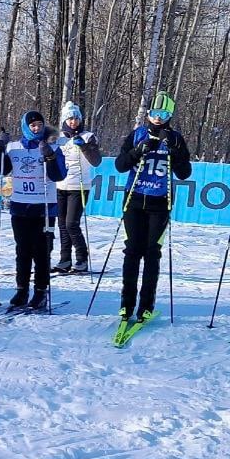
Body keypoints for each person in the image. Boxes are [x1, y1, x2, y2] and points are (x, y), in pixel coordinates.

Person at [112, 92, 192, 324]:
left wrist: (175, 152)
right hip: (134, 199)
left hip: (160, 202)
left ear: (170, 116)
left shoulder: (175, 138)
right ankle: (126, 304)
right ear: (148, 114)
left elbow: (185, 173)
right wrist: (138, 151)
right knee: (132, 251)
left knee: (152, 253)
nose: (158, 118)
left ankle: (146, 305)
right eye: (155, 114)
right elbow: (119, 165)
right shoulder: (137, 134)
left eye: (163, 114)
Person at [0, 111, 66, 308]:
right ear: (25, 126)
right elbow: (0, 169)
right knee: (22, 251)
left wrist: (49, 156)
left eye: (39, 125)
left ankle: (41, 291)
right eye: (32, 125)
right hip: (20, 207)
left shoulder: (52, 146)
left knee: (42, 252)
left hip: (44, 207)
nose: (36, 128)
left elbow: (59, 175)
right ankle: (21, 290)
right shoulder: (13, 147)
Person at [54, 101, 102, 273]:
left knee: (71, 224)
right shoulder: (59, 138)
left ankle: (82, 258)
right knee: (62, 224)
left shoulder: (89, 136)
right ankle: (64, 259)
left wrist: (85, 147)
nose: (73, 122)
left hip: (79, 186)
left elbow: (96, 161)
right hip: (61, 185)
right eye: (69, 119)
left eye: (76, 118)